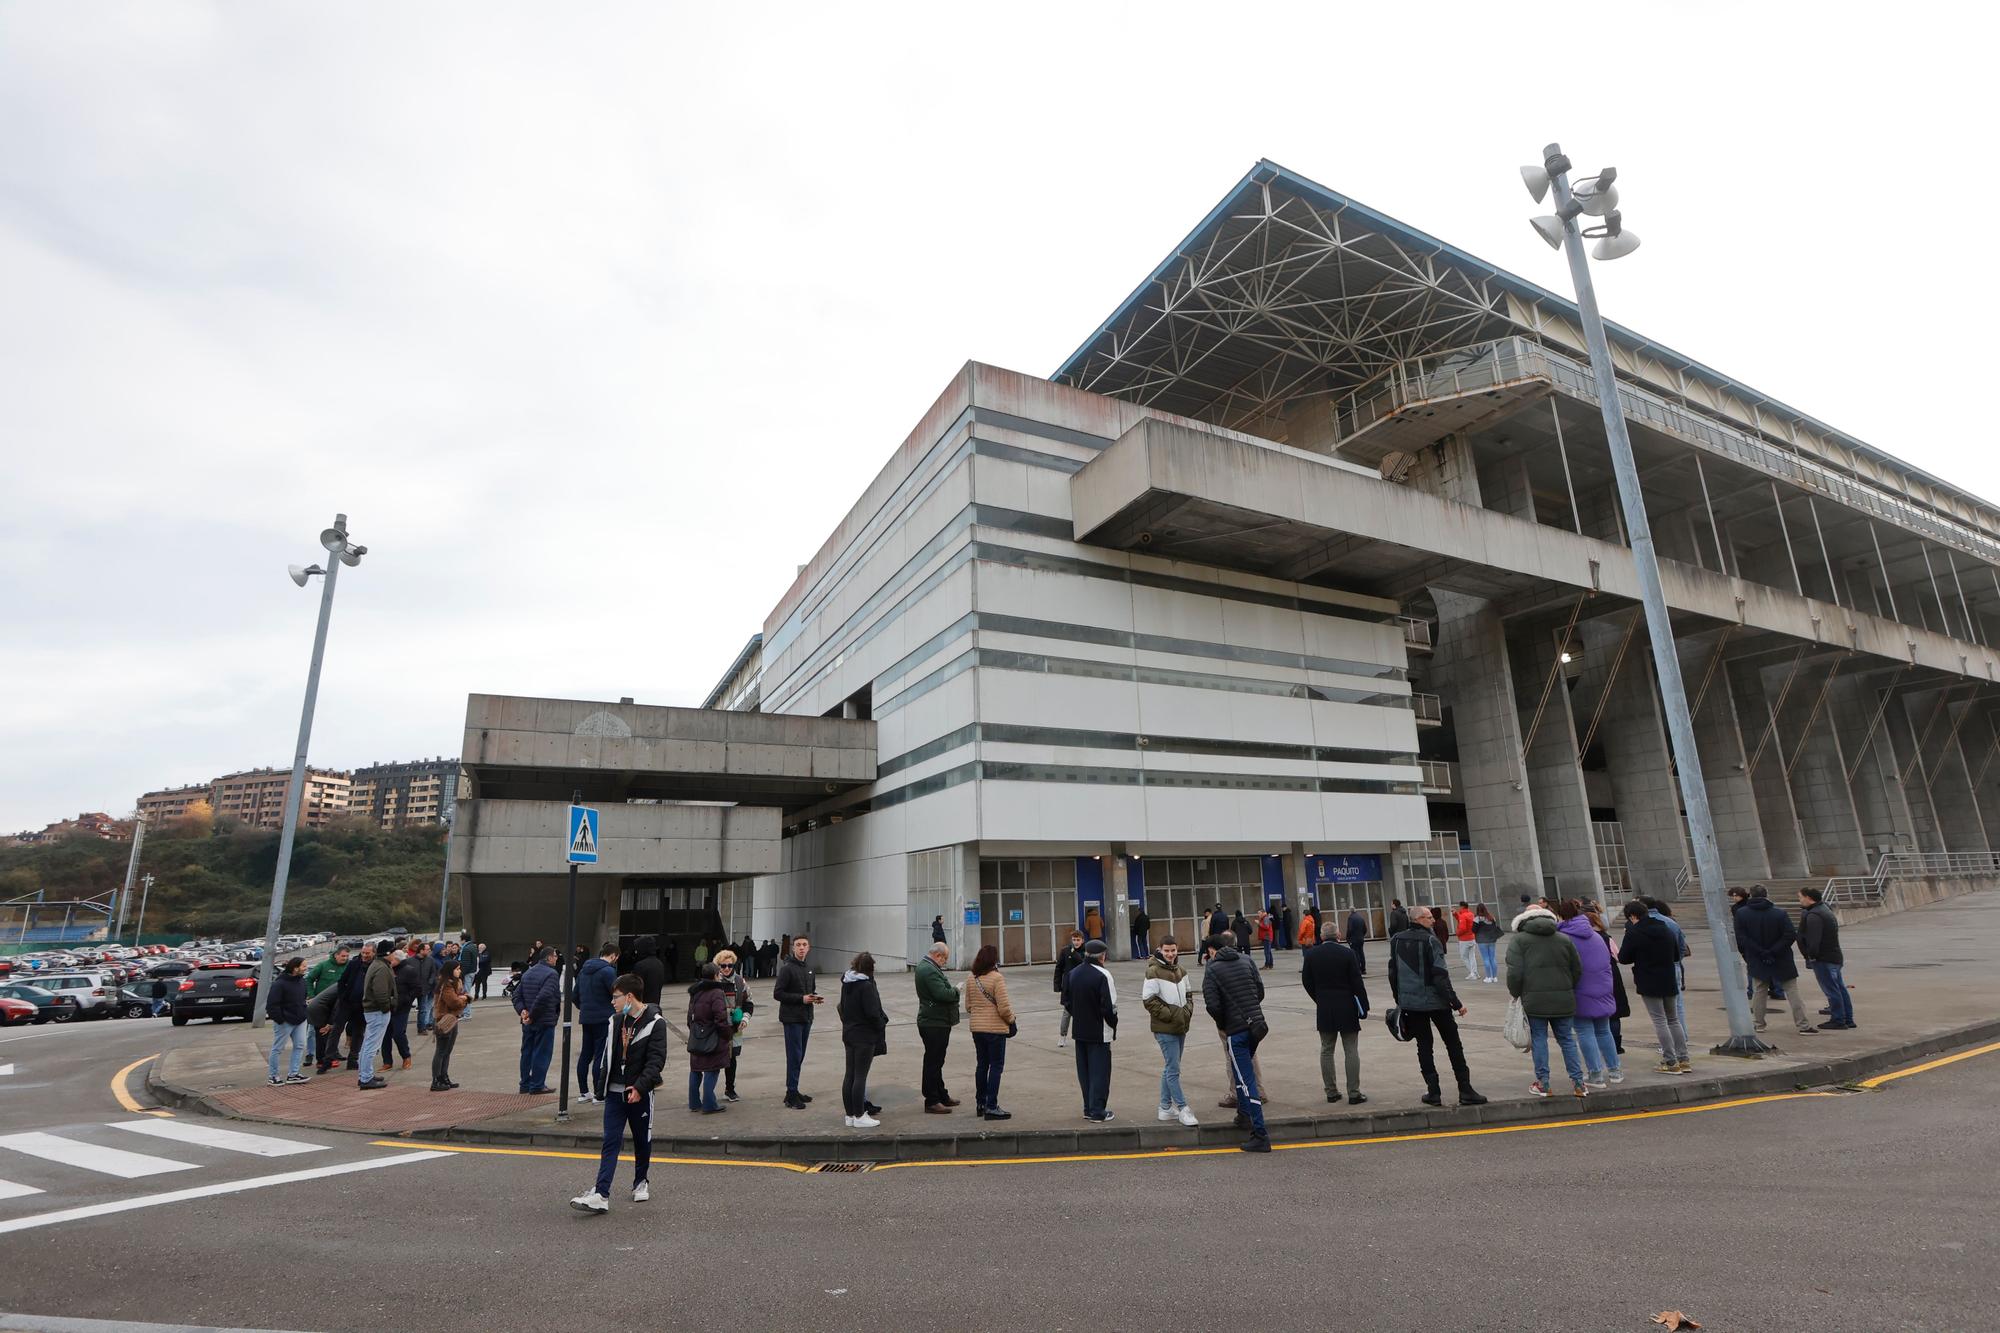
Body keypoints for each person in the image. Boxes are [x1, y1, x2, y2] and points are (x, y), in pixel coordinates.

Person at [569, 973, 669, 1214]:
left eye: (615, 997)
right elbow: (606, 1057)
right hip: (614, 1093)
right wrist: (600, 1089)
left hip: (640, 1093)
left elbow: (656, 1061)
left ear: (630, 996)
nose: (612, 1001)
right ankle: (601, 1194)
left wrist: (640, 1087)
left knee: (641, 1140)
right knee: (610, 1141)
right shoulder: (615, 1020)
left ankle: (640, 1181)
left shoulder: (656, 1023)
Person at [1389, 909, 1487, 1107]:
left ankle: (1433, 1091)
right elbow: (1440, 976)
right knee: (1453, 1043)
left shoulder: (1396, 940)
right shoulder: (1430, 941)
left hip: (1412, 1004)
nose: (1433, 920)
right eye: (1429, 917)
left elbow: (1393, 972)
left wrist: (1400, 998)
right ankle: (1465, 1089)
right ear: (1418, 919)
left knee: (1424, 1046)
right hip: (1436, 1002)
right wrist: (1456, 1003)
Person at [1506, 903, 1587, 1099]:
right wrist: (1567, 986)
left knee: (1539, 1039)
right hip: (1564, 998)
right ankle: (1578, 1083)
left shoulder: (1519, 941)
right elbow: (1577, 969)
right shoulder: (1563, 939)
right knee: (1567, 1039)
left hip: (1534, 999)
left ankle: (1544, 1083)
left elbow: (1515, 972)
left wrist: (1516, 993)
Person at [1203, 928, 1271, 1152]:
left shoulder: (1212, 969)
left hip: (1236, 1030)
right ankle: (1243, 1114)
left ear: (1213, 950)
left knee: (1245, 1079)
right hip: (1257, 1026)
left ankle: (1259, 1133)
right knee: (1241, 1069)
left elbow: (1212, 1004)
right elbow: (1259, 991)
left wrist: (1225, 1023)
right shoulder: (1247, 960)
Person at [1618, 899, 1691, 1072]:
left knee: (1659, 1020)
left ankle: (1670, 1061)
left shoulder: (1634, 932)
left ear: (1633, 916)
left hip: (1648, 979)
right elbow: (1675, 955)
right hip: (1668, 977)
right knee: (1673, 1020)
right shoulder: (1665, 927)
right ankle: (1684, 1058)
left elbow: (1623, 958)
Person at [1735, 885, 1818, 1034]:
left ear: (1751, 896)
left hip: (1757, 957)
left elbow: (1741, 938)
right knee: (1792, 991)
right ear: (1767, 895)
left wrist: (1761, 952)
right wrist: (1773, 951)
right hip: (1781, 957)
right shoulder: (1779, 913)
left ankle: (1758, 1024)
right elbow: (1790, 934)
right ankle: (1803, 1025)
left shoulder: (1741, 914)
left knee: (1759, 991)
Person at [1555, 900, 1621, 1088]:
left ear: (1560, 916)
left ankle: (1595, 1074)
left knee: (1584, 1031)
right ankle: (1615, 1070)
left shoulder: (1563, 938)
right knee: (1603, 1030)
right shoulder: (1596, 935)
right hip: (1603, 987)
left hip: (1580, 990)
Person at [1300, 929, 1368, 1105]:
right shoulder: (1348, 953)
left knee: (1326, 1049)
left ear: (1321, 937)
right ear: (1338, 936)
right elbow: (1357, 981)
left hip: (1325, 1006)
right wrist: (1364, 1005)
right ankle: (1354, 1092)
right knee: (1351, 1049)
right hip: (1347, 1005)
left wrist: (1318, 997)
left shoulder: (1312, 954)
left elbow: (1306, 981)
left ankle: (1331, 1092)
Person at [1141, 937, 1197, 1127]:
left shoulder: (1181, 970)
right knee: (1173, 1070)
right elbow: (1148, 999)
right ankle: (1183, 1108)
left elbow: (1189, 994)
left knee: (1170, 1067)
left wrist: (1187, 1012)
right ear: (1160, 950)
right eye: (1167, 951)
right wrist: (1170, 1014)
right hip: (1165, 1029)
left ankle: (1165, 1108)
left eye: (1173, 950)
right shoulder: (1153, 971)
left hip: (1180, 1026)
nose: (1170, 954)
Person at [1066, 939, 1117, 1121]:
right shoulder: (1104, 975)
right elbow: (1109, 1008)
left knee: (1085, 1071)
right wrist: (1114, 1024)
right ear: (1102, 956)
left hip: (1079, 1029)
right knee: (1100, 1072)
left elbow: (1067, 1002)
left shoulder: (1073, 973)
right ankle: (1098, 1110)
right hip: (1099, 1031)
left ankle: (1088, 1108)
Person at [965, 944, 1016, 1120]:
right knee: (996, 1066)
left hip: (977, 1029)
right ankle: (991, 1106)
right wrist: (1012, 1020)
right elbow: (1004, 1008)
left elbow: (968, 1006)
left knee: (982, 1065)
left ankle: (980, 1102)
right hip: (995, 1029)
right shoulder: (997, 978)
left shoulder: (971, 977)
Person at [837, 952, 888, 1128]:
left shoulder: (847, 983)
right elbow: (873, 1013)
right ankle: (860, 1115)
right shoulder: (866, 986)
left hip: (849, 1033)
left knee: (849, 1075)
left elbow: (841, 1007)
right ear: (870, 968)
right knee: (860, 1077)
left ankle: (850, 1115)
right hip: (864, 1036)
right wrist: (881, 1024)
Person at [774, 934, 824, 1109]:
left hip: (806, 1018)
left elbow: (810, 990)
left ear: (809, 948)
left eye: (804, 945)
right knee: (794, 1056)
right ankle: (791, 1093)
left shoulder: (810, 969)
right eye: (798, 945)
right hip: (792, 1018)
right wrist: (801, 999)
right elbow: (778, 994)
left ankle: (793, 1091)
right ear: (793, 948)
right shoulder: (787, 969)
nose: (801, 947)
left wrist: (814, 998)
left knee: (800, 1056)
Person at [913, 941, 961, 1113]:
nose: (945, 962)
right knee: (933, 1062)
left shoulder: (927, 967)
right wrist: (956, 991)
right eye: (945, 958)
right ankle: (932, 1100)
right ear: (938, 955)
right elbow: (942, 994)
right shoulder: (928, 970)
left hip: (936, 1021)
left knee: (937, 1061)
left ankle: (941, 1094)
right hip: (934, 1022)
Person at [1798, 887, 1854, 1029]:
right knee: (1839, 988)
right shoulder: (1824, 910)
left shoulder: (1814, 915)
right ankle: (1847, 1018)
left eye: (1800, 897)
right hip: (1833, 956)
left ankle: (1838, 1019)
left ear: (1808, 898)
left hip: (1824, 958)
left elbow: (1813, 940)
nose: (1799, 900)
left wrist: (1811, 956)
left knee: (1832, 990)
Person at [573, 942, 619, 1103]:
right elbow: (615, 994)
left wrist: (585, 1007)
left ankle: (584, 1092)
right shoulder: (608, 972)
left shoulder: (584, 970)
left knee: (585, 1054)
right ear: (613, 956)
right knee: (600, 1055)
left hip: (587, 1017)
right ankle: (599, 1094)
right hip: (604, 1018)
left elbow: (574, 996)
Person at [513, 945, 561, 1094]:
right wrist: (532, 1015)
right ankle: (537, 1085)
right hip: (543, 1020)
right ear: (548, 957)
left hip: (528, 1021)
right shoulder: (551, 974)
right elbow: (545, 996)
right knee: (542, 1052)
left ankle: (525, 1084)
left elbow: (516, 995)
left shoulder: (528, 972)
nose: (556, 958)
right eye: (555, 956)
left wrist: (523, 1012)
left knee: (527, 1051)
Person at [685, 962, 731, 1114]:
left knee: (695, 1070)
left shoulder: (695, 992)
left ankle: (694, 1103)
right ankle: (709, 1104)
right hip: (712, 1037)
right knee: (712, 1070)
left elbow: (689, 1017)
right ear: (715, 976)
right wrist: (727, 1035)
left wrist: (694, 1031)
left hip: (697, 1035)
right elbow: (720, 1018)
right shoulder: (716, 992)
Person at [713, 949, 755, 1101]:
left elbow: (749, 1003)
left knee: (731, 1059)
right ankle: (708, 1092)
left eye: (730, 965)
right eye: (723, 966)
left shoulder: (740, 982)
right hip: (717, 1026)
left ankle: (729, 1089)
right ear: (718, 966)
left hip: (735, 1027)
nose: (726, 969)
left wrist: (745, 1019)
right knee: (714, 1058)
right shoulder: (713, 982)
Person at [264, 957, 312, 1086]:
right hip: (285, 1021)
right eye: (303, 966)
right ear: (295, 968)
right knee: (278, 1048)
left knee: (300, 1046)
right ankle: (273, 1076)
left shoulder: (302, 981)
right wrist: (280, 1019)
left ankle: (293, 1074)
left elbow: (303, 998)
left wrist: (304, 1012)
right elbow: (272, 1005)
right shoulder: (279, 983)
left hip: (300, 1019)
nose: (305, 968)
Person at [357, 940, 397, 1090]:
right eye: (393, 952)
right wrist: (387, 1007)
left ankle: (365, 1075)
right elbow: (380, 992)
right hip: (377, 1011)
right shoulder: (381, 968)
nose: (395, 955)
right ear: (388, 953)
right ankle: (366, 1078)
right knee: (371, 1046)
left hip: (374, 1011)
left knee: (368, 1044)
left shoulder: (378, 965)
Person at [431, 961, 469, 1090]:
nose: (460, 971)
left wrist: (463, 998)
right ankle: (436, 1080)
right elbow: (454, 1002)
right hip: (444, 1020)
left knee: (447, 1051)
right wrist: (464, 999)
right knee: (441, 1051)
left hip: (452, 1019)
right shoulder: (446, 984)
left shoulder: (455, 984)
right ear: (450, 970)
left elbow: (461, 997)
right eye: (457, 969)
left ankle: (444, 1077)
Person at [383, 947, 419, 1071]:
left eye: (392, 959)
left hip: (402, 1007)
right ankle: (387, 1061)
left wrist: (407, 999)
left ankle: (406, 1056)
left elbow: (416, 988)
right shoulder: (386, 970)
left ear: (397, 959)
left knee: (398, 1033)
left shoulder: (409, 970)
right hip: (387, 1007)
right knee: (385, 1035)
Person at [1052, 929, 1088, 1049]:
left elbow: (1085, 964)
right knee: (1067, 1012)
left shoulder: (1086, 951)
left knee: (1083, 1013)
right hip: (1068, 986)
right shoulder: (1065, 951)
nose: (1076, 942)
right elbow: (1059, 968)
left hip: (1082, 986)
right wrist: (1057, 985)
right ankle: (1062, 1036)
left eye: (1078, 940)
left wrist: (1075, 954)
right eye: (1074, 940)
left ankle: (1082, 1035)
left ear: (1082, 940)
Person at [631, 935, 666, 1008]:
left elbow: (635, 988)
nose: (636, 951)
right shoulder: (659, 963)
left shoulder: (640, 965)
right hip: (655, 1004)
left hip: (642, 1005)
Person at [1472, 905, 1502, 984]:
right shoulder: (1491, 917)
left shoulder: (1477, 919)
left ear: (1478, 910)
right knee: (1492, 958)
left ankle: (1488, 977)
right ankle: (1495, 977)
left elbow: (1473, 930)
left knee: (1486, 959)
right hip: (1492, 940)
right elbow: (1495, 927)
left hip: (1482, 941)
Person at [1454, 902, 1481, 982]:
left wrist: (1457, 933)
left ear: (1462, 907)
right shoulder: (1471, 914)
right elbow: (1460, 919)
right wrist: (1455, 914)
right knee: (1472, 956)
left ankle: (1473, 973)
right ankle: (1475, 972)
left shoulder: (1463, 915)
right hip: (1472, 937)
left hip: (1464, 939)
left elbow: (1462, 928)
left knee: (1464, 957)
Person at [1345, 906, 1369, 974]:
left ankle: (1357, 969)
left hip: (1353, 939)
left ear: (1350, 911)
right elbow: (1365, 929)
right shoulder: (1360, 917)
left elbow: (1350, 929)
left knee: (1355, 954)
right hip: (1361, 938)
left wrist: (1348, 938)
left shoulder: (1351, 918)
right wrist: (1361, 935)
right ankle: (1363, 969)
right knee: (1361, 953)